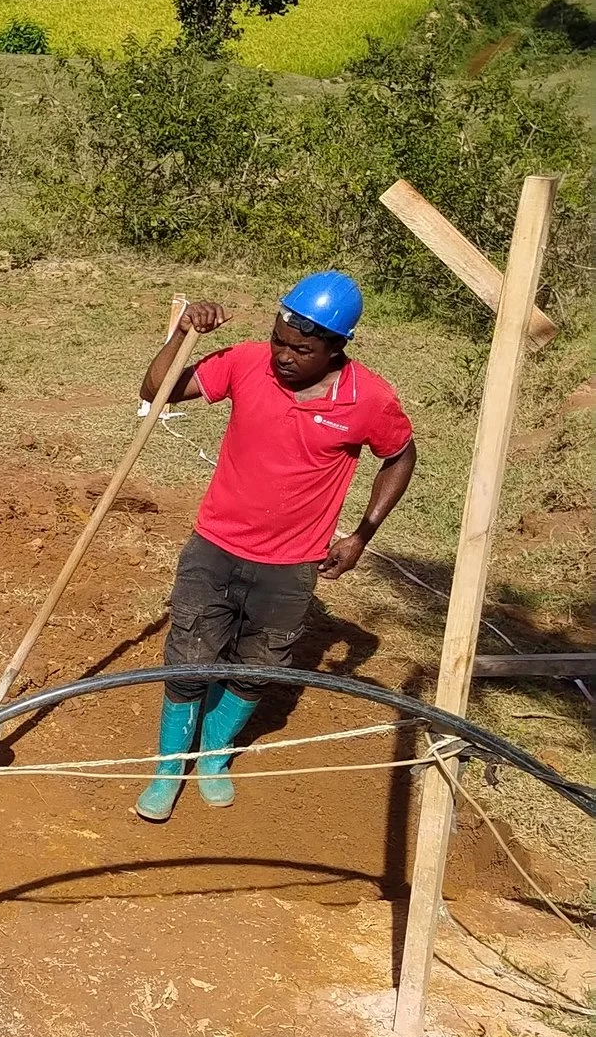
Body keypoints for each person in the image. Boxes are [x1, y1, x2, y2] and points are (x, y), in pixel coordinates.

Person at [133, 272, 416, 821]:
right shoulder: (245, 362)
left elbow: (400, 455)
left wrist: (362, 534)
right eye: (279, 341)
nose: (284, 357)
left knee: (258, 668)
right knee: (189, 659)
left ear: (336, 349)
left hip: (290, 567)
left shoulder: (370, 400)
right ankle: (169, 768)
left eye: (301, 349)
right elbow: (156, 390)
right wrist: (181, 331)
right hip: (214, 547)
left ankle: (213, 756)